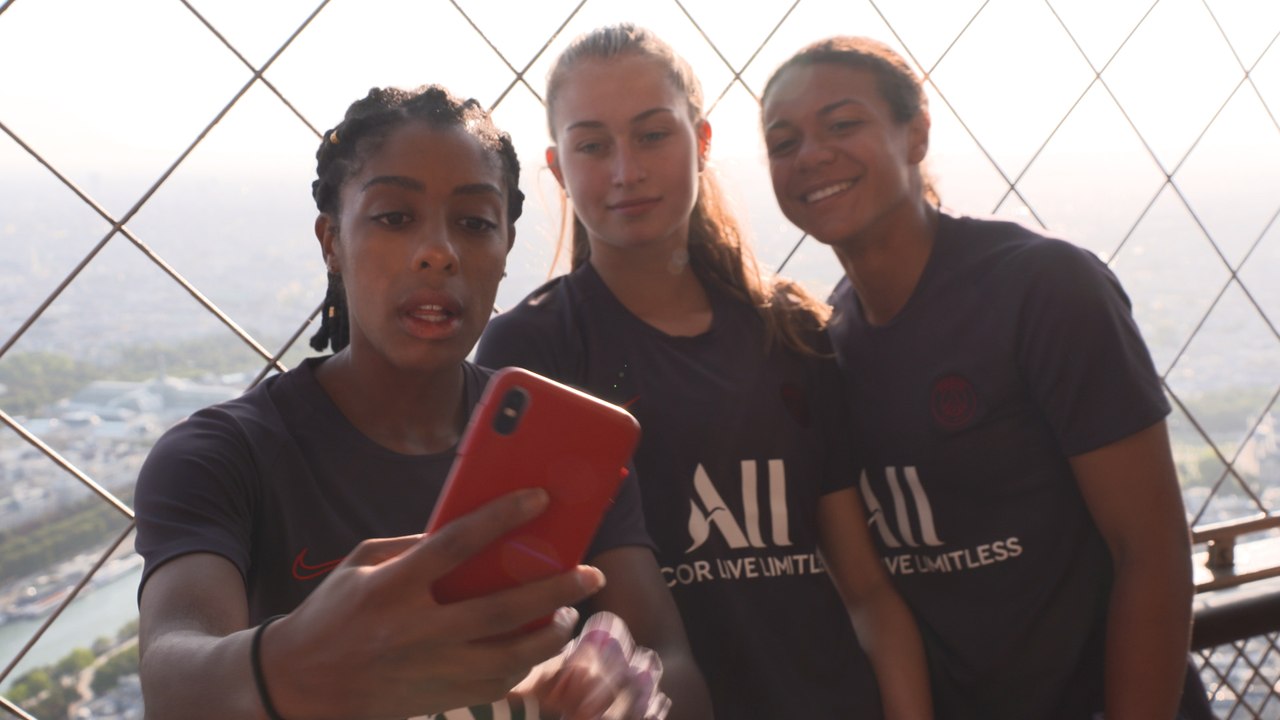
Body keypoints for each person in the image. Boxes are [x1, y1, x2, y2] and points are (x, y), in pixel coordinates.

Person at [133, 84, 713, 720]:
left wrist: (624, 698)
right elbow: (173, 680)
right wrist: (299, 659)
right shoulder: (224, 458)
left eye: (474, 223)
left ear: (505, 250)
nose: (438, 251)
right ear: (331, 241)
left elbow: (670, 659)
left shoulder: (559, 446)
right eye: (394, 217)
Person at [476, 24, 932, 720]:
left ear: (704, 141)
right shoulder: (534, 353)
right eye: (593, 145)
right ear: (558, 168)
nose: (626, 170)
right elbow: (514, 611)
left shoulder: (791, 331)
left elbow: (865, 590)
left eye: (654, 135)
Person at [760, 35, 1213, 719]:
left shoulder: (1044, 288)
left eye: (843, 124)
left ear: (915, 135)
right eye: (782, 141)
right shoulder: (832, 342)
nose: (810, 155)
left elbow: (1150, 551)